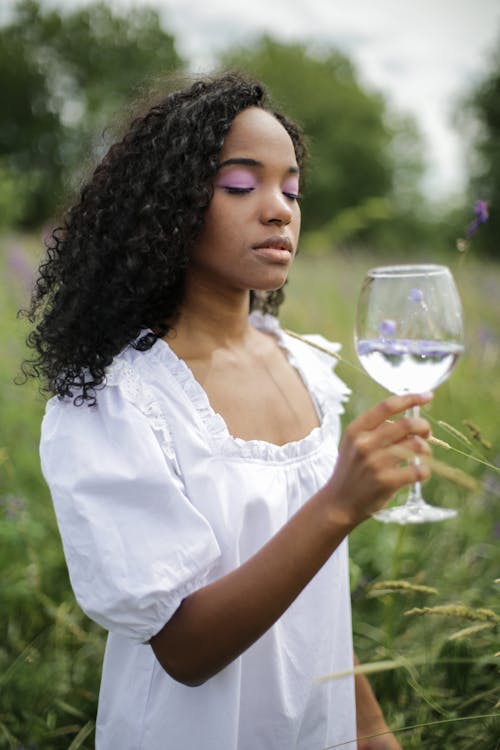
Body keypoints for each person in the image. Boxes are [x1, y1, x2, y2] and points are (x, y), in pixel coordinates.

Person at [26, 71, 433, 749]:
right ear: (171, 202)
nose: (279, 209)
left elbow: (313, 596)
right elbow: (184, 651)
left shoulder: (305, 366)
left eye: (291, 188)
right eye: (242, 184)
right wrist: (337, 503)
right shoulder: (118, 399)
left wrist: (371, 729)